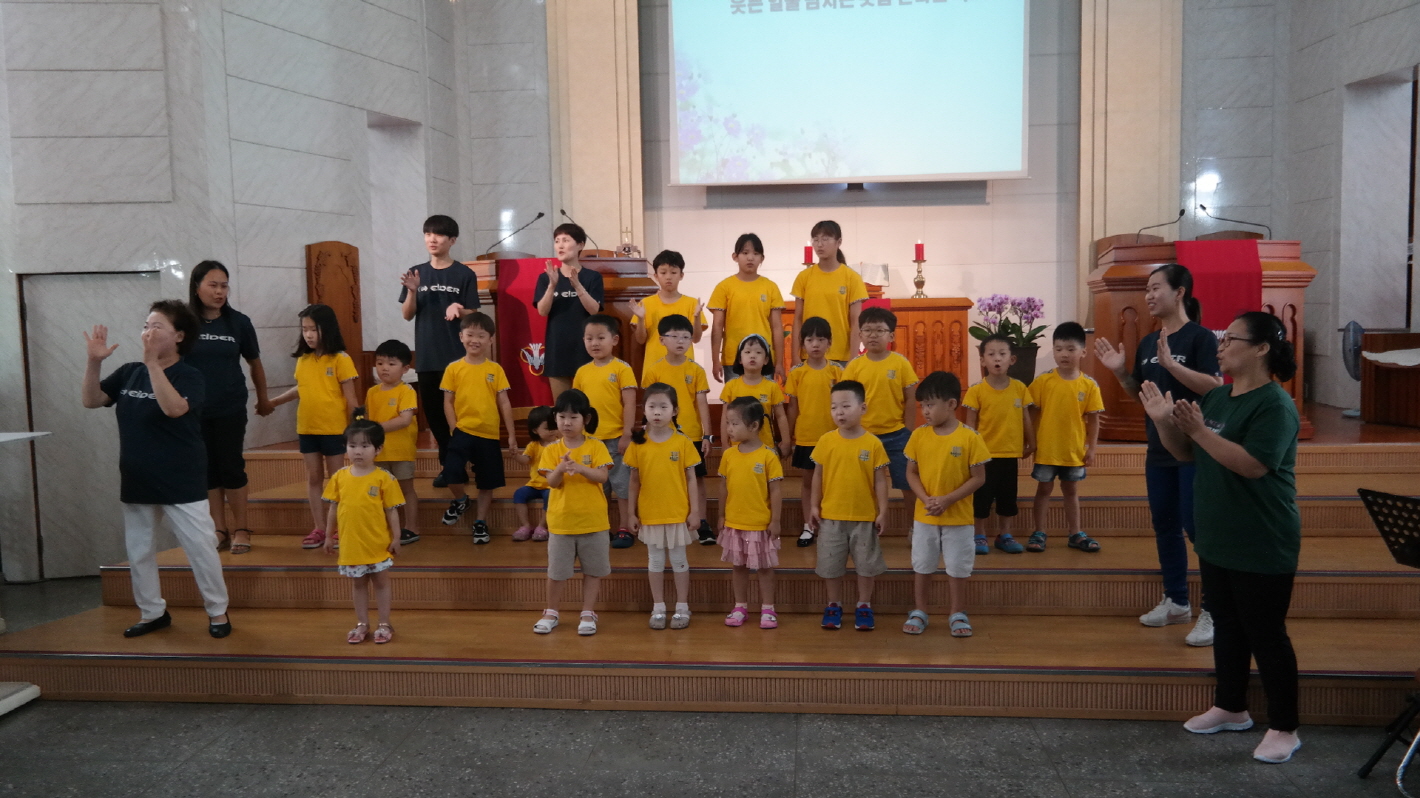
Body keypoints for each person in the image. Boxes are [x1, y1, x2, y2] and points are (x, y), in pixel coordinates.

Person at [1140, 311, 1303, 765]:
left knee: (1266, 634)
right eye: (1222, 338)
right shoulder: (1218, 396)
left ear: (1261, 348)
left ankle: (1285, 727)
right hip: (1217, 534)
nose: (1221, 345)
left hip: (1261, 536)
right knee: (1227, 625)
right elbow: (1186, 453)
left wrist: (1196, 429)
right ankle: (1231, 706)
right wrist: (1164, 422)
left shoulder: (1274, 404)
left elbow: (1253, 464)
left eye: (1231, 339)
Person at [81, 301, 231, 639]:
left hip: (182, 478)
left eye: (157, 326)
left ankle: (217, 611)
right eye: (146, 325)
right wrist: (94, 361)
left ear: (179, 336)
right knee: (140, 552)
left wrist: (152, 364)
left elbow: (174, 408)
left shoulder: (190, 375)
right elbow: (91, 400)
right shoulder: (129, 372)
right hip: (138, 477)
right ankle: (152, 612)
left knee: (201, 548)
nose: (148, 332)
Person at [1096, 264, 1222, 647]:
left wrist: (1172, 366)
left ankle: (1214, 610)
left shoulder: (1200, 337)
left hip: (1195, 447)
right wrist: (1121, 373)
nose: (1149, 296)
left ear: (1179, 292)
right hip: (1158, 447)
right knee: (1165, 525)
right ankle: (1177, 601)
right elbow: (1142, 394)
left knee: (1198, 529)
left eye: (1156, 288)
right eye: (1147, 289)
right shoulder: (1150, 342)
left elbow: (1215, 386)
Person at [186, 260, 272, 556]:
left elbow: (254, 362)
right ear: (196, 287)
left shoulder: (238, 322)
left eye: (224, 286)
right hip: (193, 409)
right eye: (213, 285)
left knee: (231, 465)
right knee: (207, 468)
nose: (219, 291)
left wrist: (263, 398)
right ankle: (219, 529)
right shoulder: (184, 323)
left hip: (230, 406)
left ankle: (242, 528)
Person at [904, 372, 990, 637]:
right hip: (925, 516)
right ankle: (920, 610)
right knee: (922, 564)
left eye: (931, 405)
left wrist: (948, 499)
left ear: (952, 404)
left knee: (957, 567)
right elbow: (911, 473)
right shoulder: (918, 436)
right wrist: (925, 499)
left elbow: (979, 478)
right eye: (923, 406)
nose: (925, 411)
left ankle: (957, 612)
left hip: (959, 518)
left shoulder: (970, 437)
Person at [397, 215, 479, 489]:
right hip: (428, 358)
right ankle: (450, 467)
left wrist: (459, 309)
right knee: (436, 418)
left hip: (458, 358)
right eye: (428, 234)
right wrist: (412, 292)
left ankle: (470, 462)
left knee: (461, 415)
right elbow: (407, 314)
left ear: (452, 240)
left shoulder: (464, 274)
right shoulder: (416, 272)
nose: (432, 239)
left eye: (439, 235)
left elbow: (474, 314)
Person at [267, 304, 358, 550]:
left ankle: (339, 527)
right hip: (307, 428)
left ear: (326, 329)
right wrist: (274, 402)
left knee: (337, 480)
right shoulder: (304, 359)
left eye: (313, 329)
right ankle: (319, 527)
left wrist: (356, 431)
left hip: (334, 429)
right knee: (314, 478)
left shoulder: (341, 359)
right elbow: (302, 388)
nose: (308, 334)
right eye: (305, 329)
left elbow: (351, 398)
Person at [806, 380, 889, 632]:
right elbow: (817, 476)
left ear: (863, 408)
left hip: (864, 517)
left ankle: (864, 605)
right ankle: (833, 605)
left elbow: (880, 480)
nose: (839, 412)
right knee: (831, 566)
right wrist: (814, 506)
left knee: (866, 566)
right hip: (831, 516)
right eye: (834, 407)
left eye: (845, 406)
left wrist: (883, 511)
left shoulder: (873, 443)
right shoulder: (826, 441)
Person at [534, 389, 613, 636]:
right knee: (557, 573)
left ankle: (588, 612)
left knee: (593, 571)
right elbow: (552, 482)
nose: (567, 422)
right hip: (561, 522)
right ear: (555, 418)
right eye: (562, 417)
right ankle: (551, 612)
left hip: (594, 521)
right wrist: (561, 467)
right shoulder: (551, 450)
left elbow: (602, 476)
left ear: (585, 419)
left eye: (573, 417)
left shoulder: (597, 446)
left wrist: (579, 468)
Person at [322, 416, 404, 645]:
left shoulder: (384, 478)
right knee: (358, 584)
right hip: (351, 544)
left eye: (365, 446)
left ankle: (384, 623)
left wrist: (396, 537)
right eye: (352, 445)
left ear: (378, 449)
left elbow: (392, 511)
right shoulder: (339, 477)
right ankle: (362, 623)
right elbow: (333, 508)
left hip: (377, 543)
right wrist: (328, 535)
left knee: (381, 583)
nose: (358, 451)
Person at [626, 383, 702, 630]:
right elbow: (634, 481)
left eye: (663, 407)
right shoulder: (638, 443)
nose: (657, 412)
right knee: (655, 562)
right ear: (644, 410)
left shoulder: (683, 442)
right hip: (650, 514)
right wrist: (631, 513)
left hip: (678, 513)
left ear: (675, 410)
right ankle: (658, 607)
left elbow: (692, 479)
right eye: (651, 406)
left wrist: (695, 511)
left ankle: (682, 606)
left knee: (679, 561)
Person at [438, 312, 518, 543]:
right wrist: (454, 429)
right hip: (462, 431)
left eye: (481, 336)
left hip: (489, 434)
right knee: (451, 472)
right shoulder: (453, 368)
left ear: (490, 340)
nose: (475, 340)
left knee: (487, 481)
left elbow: (504, 403)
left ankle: (480, 522)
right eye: (470, 334)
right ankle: (461, 500)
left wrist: (511, 435)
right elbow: (448, 402)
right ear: (461, 336)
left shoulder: (495, 369)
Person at [1027, 322, 1104, 553]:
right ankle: (1039, 531)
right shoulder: (1043, 381)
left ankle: (1075, 533)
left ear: (1083, 352)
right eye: (1059, 349)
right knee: (1043, 490)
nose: (1064, 354)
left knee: (1071, 491)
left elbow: (1093, 420)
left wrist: (1092, 449)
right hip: (1047, 449)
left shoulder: (1089, 385)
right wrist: (1029, 441)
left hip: (1073, 451)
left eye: (1071, 349)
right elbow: (1031, 412)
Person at [641, 314, 716, 544]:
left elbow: (702, 404)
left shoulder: (696, 370)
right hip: (660, 435)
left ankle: (701, 522)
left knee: (697, 478)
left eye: (686, 337)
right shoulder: (654, 370)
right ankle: (669, 521)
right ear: (662, 340)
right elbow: (648, 405)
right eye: (674, 336)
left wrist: (707, 435)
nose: (681, 341)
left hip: (691, 434)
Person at [963, 334, 1036, 555]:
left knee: (1007, 497)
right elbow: (970, 424)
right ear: (982, 360)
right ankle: (979, 534)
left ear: (1011, 360)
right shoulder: (976, 390)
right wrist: (971, 450)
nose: (997, 359)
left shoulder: (1020, 388)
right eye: (991, 354)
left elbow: (1026, 418)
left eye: (1002, 354)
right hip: (984, 456)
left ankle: (1005, 535)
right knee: (982, 498)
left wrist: (1031, 442)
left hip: (1010, 454)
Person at [716, 397, 784, 629]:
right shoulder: (728, 455)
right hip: (735, 523)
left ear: (754, 426)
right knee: (738, 566)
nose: (729, 428)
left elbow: (776, 491)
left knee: (764, 567)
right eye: (728, 423)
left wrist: (775, 520)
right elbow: (723, 487)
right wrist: (721, 515)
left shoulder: (768, 456)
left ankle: (768, 608)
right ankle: (740, 606)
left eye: (734, 423)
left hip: (760, 524)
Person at [572, 314, 637, 548]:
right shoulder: (582, 372)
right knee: (599, 487)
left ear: (614, 340)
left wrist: (627, 434)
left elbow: (629, 402)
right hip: (590, 442)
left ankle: (625, 527)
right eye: (589, 338)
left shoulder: (622, 369)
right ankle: (601, 528)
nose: (595, 343)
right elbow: (577, 408)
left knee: (622, 485)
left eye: (601, 337)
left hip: (616, 439)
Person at [842, 307, 919, 492]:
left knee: (907, 483)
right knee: (864, 486)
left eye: (879, 330)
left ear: (891, 336)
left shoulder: (901, 363)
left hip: (897, 434)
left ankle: (912, 513)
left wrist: (908, 431)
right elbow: (846, 401)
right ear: (860, 335)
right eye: (868, 330)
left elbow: (911, 399)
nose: (873, 335)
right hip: (863, 433)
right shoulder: (854, 366)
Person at [784, 316, 843, 547]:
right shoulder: (797, 373)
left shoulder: (837, 371)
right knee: (808, 483)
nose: (815, 344)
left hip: (833, 438)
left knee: (833, 483)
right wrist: (788, 437)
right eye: (810, 340)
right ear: (803, 344)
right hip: (807, 437)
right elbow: (792, 408)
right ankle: (808, 525)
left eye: (821, 339)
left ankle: (831, 525)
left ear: (829, 343)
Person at [535, 223, 605, 398]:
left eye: (566, 240)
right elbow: (542, 311)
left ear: (580, 245)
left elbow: (594, 310)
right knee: (562, 406)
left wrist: (578, 286)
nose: (560, 245)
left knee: (588, 405)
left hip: (586, 347)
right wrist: (552, 285)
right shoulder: (546, 277)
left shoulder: (592, 277)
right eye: (557, 241)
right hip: (557, 347)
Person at [709, 233, 786, 383]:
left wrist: (779, 363)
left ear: (762, 258)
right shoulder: (724, 287)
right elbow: (717, 326)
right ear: (735, 257)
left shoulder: (770, 287)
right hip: (734, 359)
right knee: (736, 398)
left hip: (764, 358)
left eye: (755, 254)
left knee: (764, 398)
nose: (750, 258)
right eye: (745, 253)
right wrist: (715, 360)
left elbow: (777, 327)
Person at [790, 220, 867, 366]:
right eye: (816, 239)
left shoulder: (852, 278)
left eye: (825, 239)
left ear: (839, 242)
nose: (819, 244)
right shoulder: (804, 277)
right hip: (809, 354)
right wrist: (795, 356)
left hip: (841, 356)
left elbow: (856, 322)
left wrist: (852, 359)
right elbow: (798, 319)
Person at [365, 339, 420, 546]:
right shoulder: (372, 392)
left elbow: (404, 420)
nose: (384, 368)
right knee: (380, 491)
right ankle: (383, 528)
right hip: (378, 452)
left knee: (406, 489)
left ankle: (412, 527)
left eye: (391, 363)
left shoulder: (407, 391)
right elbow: (368, 419)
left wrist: (375, 428)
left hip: (401, 450)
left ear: (405, 369)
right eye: (379, 363)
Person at [719, 334, 792, 456]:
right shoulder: (731, 386)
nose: (752, 356)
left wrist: (786, 442)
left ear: (766, 360)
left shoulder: (772, 386)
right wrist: (724, 443)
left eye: (758, 352)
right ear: (740, 359)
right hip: (737, 448)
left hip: (766, 448)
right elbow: (725, 418)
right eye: (747, 352)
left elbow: (781, 417)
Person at [631, 250, 707, 366]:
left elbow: (696, 339)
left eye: (673, 272)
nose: (668, 277)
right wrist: (641, 319)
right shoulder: (646, 303)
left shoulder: (692, 303)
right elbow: (640, 340)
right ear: (656, 276)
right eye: (663, 272)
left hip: (684, 367)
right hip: (654, 366)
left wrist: (697, 318)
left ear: (681, 275)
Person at [512, 406, 556, 542]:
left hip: (551, 486)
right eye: (547, 428)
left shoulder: (560, 444)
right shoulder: (533, 445)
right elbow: (525, 460)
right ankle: (526, 525)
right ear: (535, 430)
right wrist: (516, 455)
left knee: (550, 496)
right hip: (534, 484)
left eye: (554, 426)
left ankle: (542, 526)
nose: (552, 430)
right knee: (519, 494)